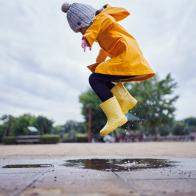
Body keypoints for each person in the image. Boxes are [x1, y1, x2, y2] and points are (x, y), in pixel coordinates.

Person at [61, 2, 155, 136]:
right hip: (128, 58)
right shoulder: (102, 29)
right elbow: (104, 51)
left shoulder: (103, 19)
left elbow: (97, 24)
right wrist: (98, 65)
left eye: (81, 29)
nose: (82, 32)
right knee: (99, 77)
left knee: (94, 79)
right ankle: (125, 100)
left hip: (127, 58)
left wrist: (87, 38)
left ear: (86, 20)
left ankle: (116, 116)